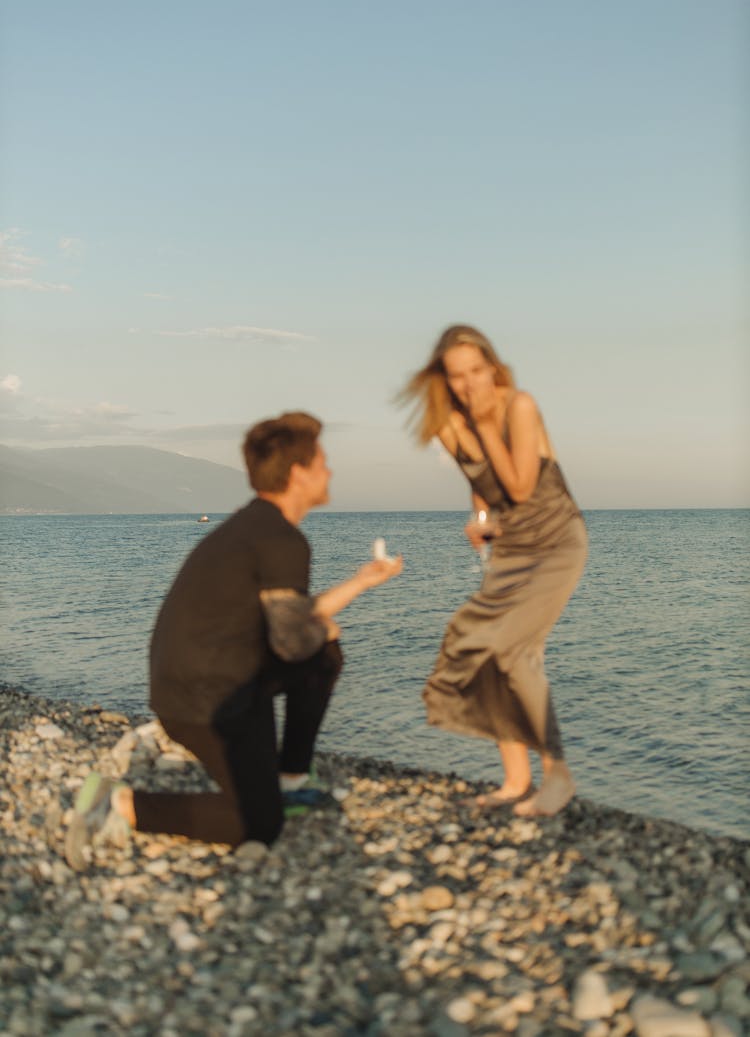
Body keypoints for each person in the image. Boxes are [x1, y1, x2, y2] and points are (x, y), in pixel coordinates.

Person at [65, 412, 402, 868]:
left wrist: (361, 583)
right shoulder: (283, 541)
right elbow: (291, 640)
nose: (330, 471)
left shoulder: (250, 527)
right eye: (323, 462)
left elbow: (287, 619)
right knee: (259, 825)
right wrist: (322, 630)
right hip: (211, 702)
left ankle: (288, 778)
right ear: (299, 473)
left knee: (323, 649)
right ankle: (121, 804)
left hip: (190, 687)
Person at [401, 325, 587, 817]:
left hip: (556, 541)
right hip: (511, 548)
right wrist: (481, 518)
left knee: (513, 651)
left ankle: (558, 777)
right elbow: (482, 481)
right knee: (481, 647)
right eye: (456, 375)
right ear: (443, 378)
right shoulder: (447, 424)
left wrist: (485, 425)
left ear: (493, 367)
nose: (468, 384)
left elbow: (523, 487)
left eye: (476, 371)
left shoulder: (517, 407)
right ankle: (516, 779)